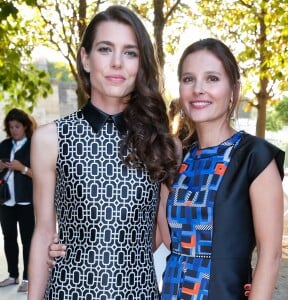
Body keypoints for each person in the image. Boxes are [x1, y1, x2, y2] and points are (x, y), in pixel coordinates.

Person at [28, 5, 179, 300]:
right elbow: (44, 232)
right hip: (68, 291)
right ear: (85, 58)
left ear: (141, 64)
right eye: (105, 49)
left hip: (138, 292)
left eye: (130, 52)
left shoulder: (163, 144)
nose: (117, 63)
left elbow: (163, 234)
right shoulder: (50, 139)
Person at [157, 38, 285, 299]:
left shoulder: (254, 157)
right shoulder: (177, 160)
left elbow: (270, 257)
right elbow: (171, 241)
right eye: (189, 79)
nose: (198, 89)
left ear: (233, 89)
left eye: (212, 78)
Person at [0, 108, 35, 293]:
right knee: (9, 238)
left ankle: (28, 279)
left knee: (28, 240)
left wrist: (22, 168)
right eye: (11, 126)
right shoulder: (4, 145)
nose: (14, 130)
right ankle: (13, 274)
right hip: (6, 200)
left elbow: (40, 175)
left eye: (17, 126)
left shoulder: (33, 146)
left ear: (25, 126)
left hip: (26, 201)